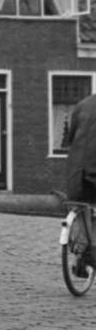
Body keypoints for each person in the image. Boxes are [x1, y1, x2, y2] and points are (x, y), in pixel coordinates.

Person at [63, 92, 96, 272]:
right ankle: (91, 254)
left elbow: (69, 139)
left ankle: (81, 254)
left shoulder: (82, 104)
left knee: (81, 208)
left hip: (76, 173)